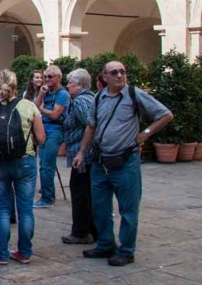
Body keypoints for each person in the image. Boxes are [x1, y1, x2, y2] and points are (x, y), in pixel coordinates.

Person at [73, 61, 173, 266]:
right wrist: (81, 152)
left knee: (128, 210)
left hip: (126, 162)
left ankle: (126, 251)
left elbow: (166, 115)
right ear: (105, 77)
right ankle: (105, 244)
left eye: (122, 72)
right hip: (100, 162)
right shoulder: (99, 97)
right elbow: (91, 126)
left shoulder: (134, 95)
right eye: (114, 72)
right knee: (99, 207)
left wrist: (145, 133)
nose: (120, 75)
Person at [0, 70, 45, 266]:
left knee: (2, 209)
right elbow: (42, 138)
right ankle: (24, 252)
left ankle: (1, 253)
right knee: (25, 209)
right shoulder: (29, 106)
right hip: (25, 161)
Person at [61, 69, 96, 245]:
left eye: (70, 83)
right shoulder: (92, 98)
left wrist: (82, 151)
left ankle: (81, 232)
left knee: (80, 193)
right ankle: (93, 230)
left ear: (80, 85)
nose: (67, 86)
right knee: (88, 193)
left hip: (83, 156)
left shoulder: (81, 101)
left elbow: (90, 124)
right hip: (88, 154)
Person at [33, 65, 70, 208]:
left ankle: (48, 197)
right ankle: (47, 194)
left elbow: (55, 115)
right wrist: (41, 95)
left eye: (50, 77)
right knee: (43, 163)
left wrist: (42, 108)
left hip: (56, 130)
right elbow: (34, 107)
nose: (46, 79)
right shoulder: (46, 91)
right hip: (43, 129)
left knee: (47, 165)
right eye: (45, 77)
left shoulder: (63, 94)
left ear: (58, 78)